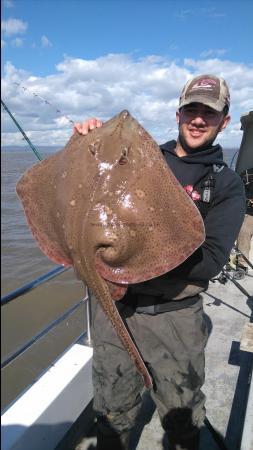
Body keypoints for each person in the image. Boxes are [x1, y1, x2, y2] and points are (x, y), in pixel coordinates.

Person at [73, 74, 245, 450]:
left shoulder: (227, 184)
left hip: (174, 318)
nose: (198, 120)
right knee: (111, 413)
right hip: (116, 310)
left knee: (181, 416)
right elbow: (91, 185)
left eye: (209, 113)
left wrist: (136, 245)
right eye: (191, 110)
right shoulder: (139, 158)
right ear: (178, 113)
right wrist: (91, 141)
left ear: (224, 122)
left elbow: (210, 261)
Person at [236, 168, 253, 271]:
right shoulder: (246, 174)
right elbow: (238, 195)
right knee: (243, 230)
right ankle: (241, 265)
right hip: (250, 214)